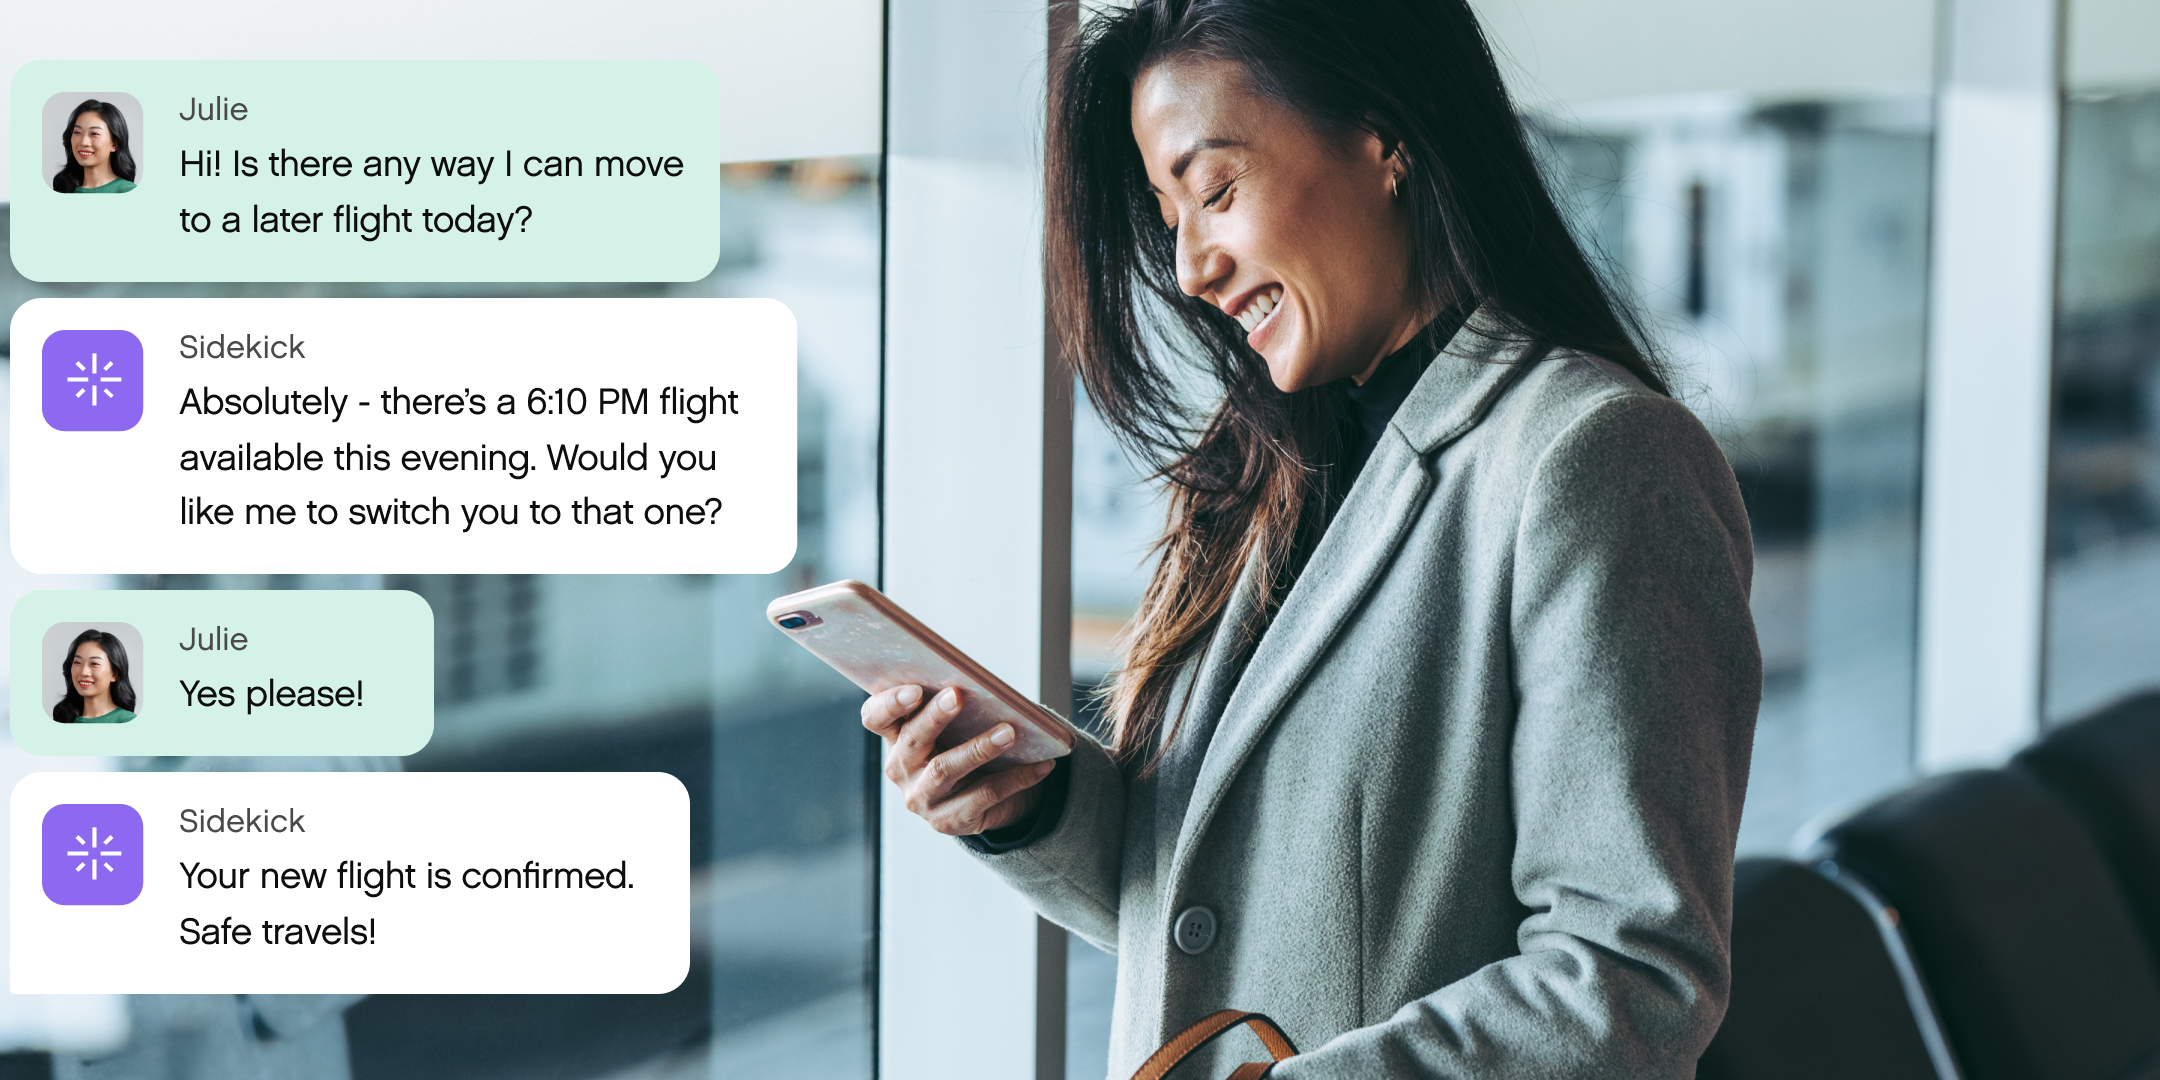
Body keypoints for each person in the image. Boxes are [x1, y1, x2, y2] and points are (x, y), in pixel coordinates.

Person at [863, 1, 1762, 1077]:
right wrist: (1035, 806)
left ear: (1385, 141)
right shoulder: (1263, 471)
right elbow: (1228, 911)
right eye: (1169, 216)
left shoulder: (1593, 459)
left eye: (1216, 191)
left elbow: (1632, 980)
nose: (1190, 264)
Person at [52, 99, 137, 193]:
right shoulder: (61, 189)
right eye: (77, 132)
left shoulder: (127, 191)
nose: (84, 142)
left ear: (114, 144)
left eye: (94, 133)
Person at [55, 629, 138, 723]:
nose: (84, 672)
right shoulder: (62, 719)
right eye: (77, 662)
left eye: (94, 663)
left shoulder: (127, 720)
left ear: (114, 674)